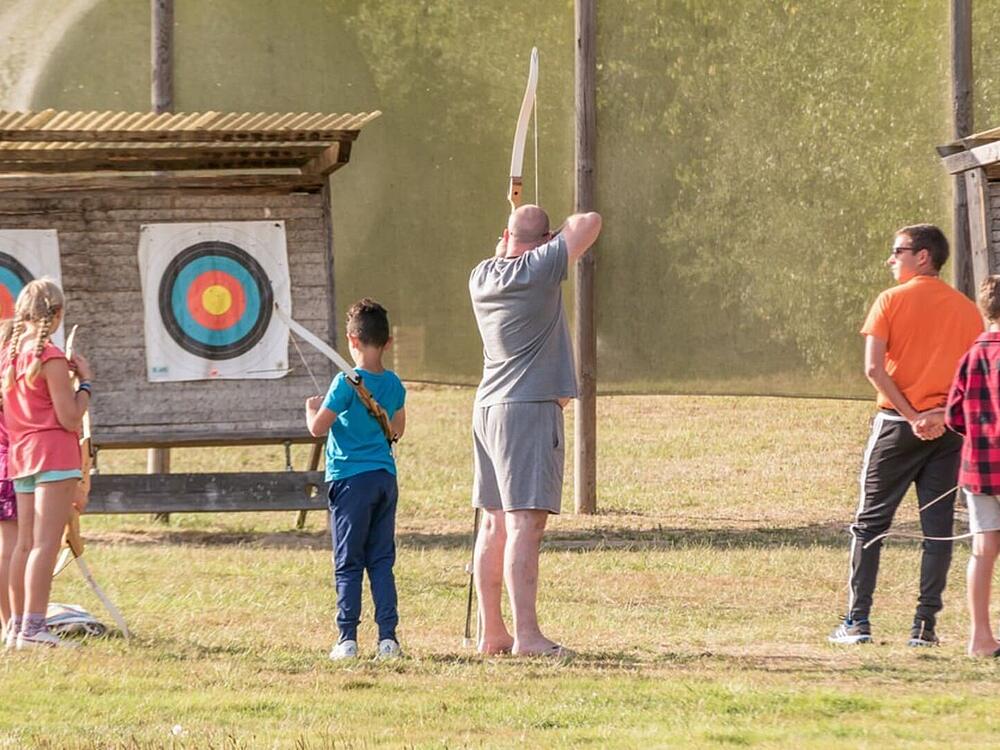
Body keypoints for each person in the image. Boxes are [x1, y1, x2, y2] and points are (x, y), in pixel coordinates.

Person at [829, 224, 983, 647]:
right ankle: (924, 628)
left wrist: (913, 416)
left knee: (870, 524)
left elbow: (873, 369)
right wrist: (939, 415)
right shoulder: (967, 310)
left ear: (923, 256)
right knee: (937, 529)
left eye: (897, 251)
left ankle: (857, 622)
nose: (891, 259)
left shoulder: (890, 300)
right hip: (948, 432)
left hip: (896, 427)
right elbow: (972, 376)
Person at [469, 204, 602, 656]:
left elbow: (505, 250)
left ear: (506, 237)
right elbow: (589, 222)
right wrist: (551, 238)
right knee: (526, 524)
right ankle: (527, 636)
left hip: (488, 409)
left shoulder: (480, 276)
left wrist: (516, 236)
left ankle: (493, 633)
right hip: (526, 409)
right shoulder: (540, 268)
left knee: (495, 523)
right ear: (543, 240)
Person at [305, 298, 406, 661]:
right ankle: (388, 640)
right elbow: (398, 429)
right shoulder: (393, 383)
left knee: (348, 561)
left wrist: (311, 410)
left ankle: (347, 639)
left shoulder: (345, 382)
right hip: (384, 479)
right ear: (388, 342)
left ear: (352, 340)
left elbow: (318, 428)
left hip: (350, 481)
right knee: (380, 560)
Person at [2, 279, 91, 649]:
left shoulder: (10, 357)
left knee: (24, 544)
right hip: (52, 454)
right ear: (56, 316)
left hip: (22, 457)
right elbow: (69, 418)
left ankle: (17, 628)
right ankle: (35, 629)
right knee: (45, 544)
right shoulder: (49, 357)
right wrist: (85, 384)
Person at [945, 275, 1000, 656]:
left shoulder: (971, 355)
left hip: (979, 470)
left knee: (983, 549)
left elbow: (953, 416)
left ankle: (980, 637)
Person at [0, 321, 16, 644]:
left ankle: (9, 622)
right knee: (13, 549)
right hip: (12, 467)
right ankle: (12, 622)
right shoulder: (15, 385)